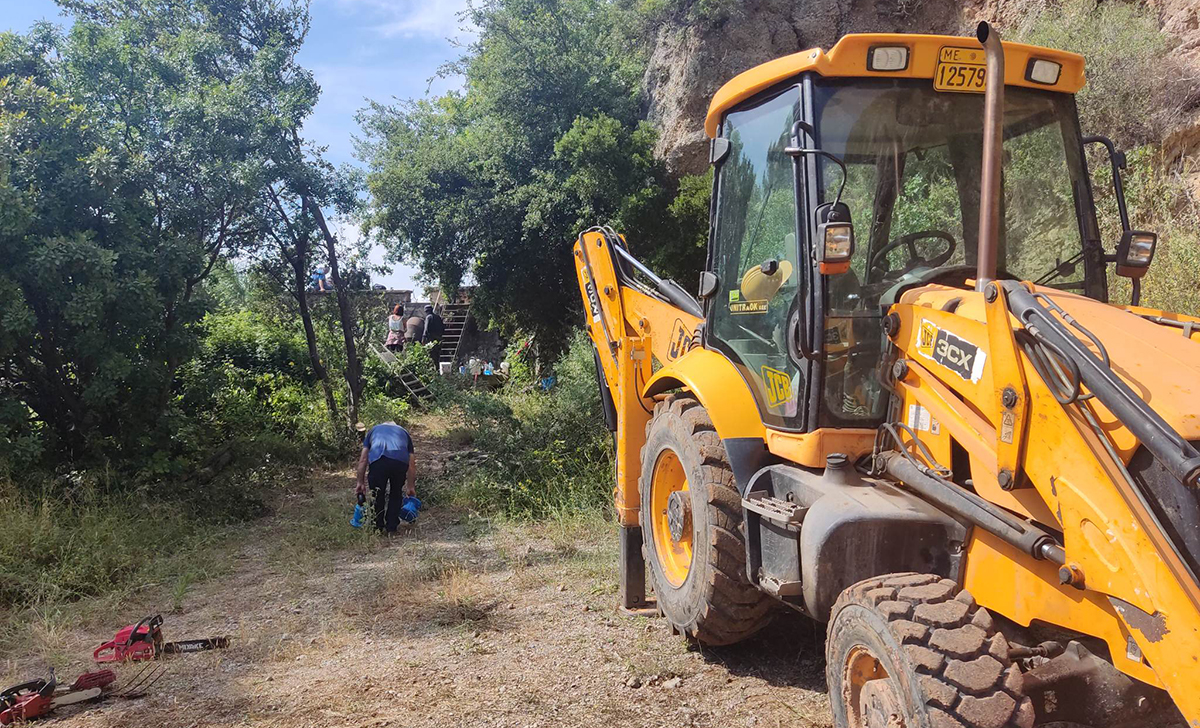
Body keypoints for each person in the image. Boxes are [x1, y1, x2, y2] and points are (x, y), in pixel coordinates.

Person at [355, 419, 416, 534]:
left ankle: (377, 527)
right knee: (396, 493)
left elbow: (363, 459)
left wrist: (360, 482)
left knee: (377, 493)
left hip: (379, 461)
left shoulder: (373, 431)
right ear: (395, 425)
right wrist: (410, 486)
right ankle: (391, 527)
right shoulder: (404, 432)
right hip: (400, 462)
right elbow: (412, 464)